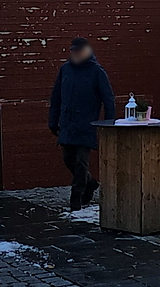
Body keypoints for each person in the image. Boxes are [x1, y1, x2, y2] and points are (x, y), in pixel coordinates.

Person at [47, 37, 115, 212]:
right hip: (67, 124)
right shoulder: (65, 70)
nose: (75, 54)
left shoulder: (96, 71)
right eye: (73, 51)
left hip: (87, 124)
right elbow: (56, 97)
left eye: (79, 51)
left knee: (81, 162)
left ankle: (76, 197)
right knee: (68, 159)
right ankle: (91, 183)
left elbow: (108, 100)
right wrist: (53, 121)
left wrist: (109, 124)